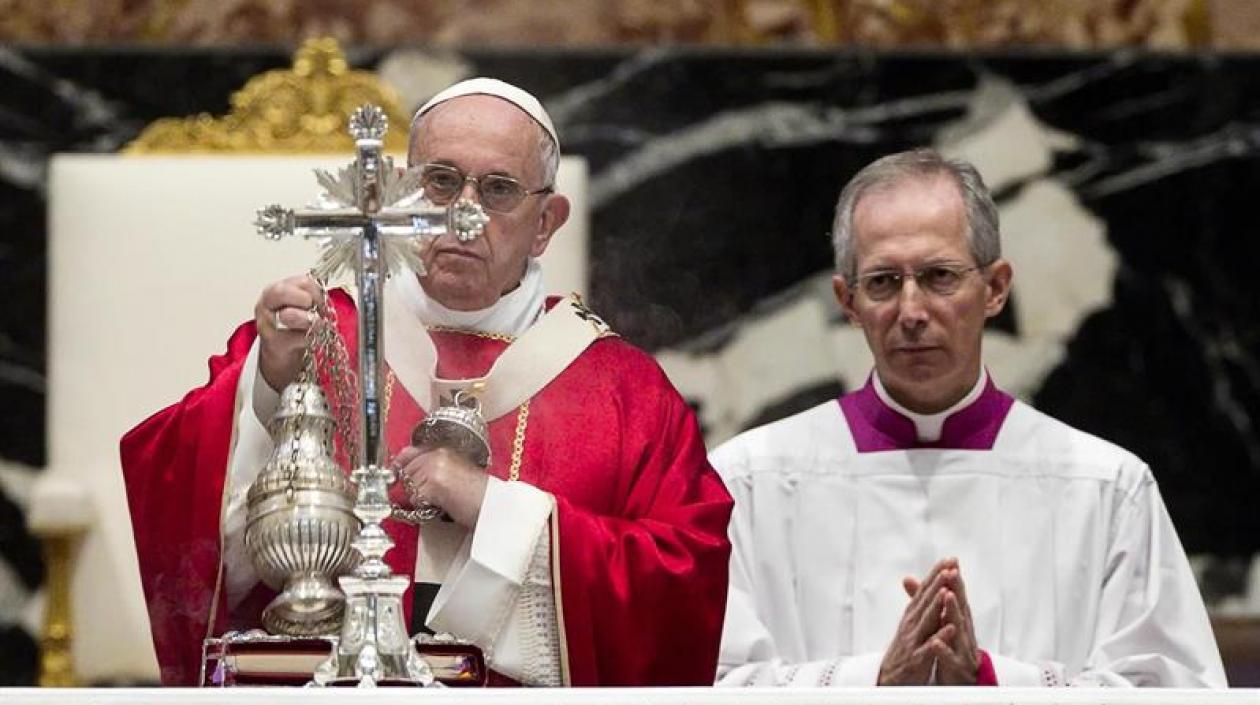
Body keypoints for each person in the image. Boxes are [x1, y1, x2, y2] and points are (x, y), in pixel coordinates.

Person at [121, 78, 733, 687]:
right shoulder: (312, 335)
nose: (463, 215)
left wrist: (493, 510)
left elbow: (684, 581)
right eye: (440, 181)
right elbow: (174, 492)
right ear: (397, 191)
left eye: (498, 190)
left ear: (545, 221)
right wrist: (268, 387)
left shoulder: (621, 389)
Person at [712, 148, 1227, 688]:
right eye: (884, 281)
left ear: (996, 288)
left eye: (939, 276)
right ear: (847, 300)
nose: (911, 311)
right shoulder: (749, 482)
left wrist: (991, 680)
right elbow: (704, 685)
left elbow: (1174, 692)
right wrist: (871, 682)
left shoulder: (1105, 487)